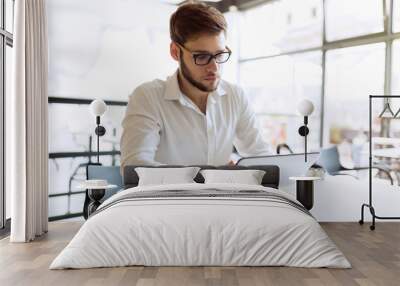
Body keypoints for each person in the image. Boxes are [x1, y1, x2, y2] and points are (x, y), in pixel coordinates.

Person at [120, 2, 270, 171]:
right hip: (167, 198)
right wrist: (211, 176)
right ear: (175, 52)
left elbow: (261, 156)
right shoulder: (147, 98)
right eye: (202, 56)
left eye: (220, 54)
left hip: (222, 197)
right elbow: (134, 168)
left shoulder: (235, 95)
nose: (214, 67)